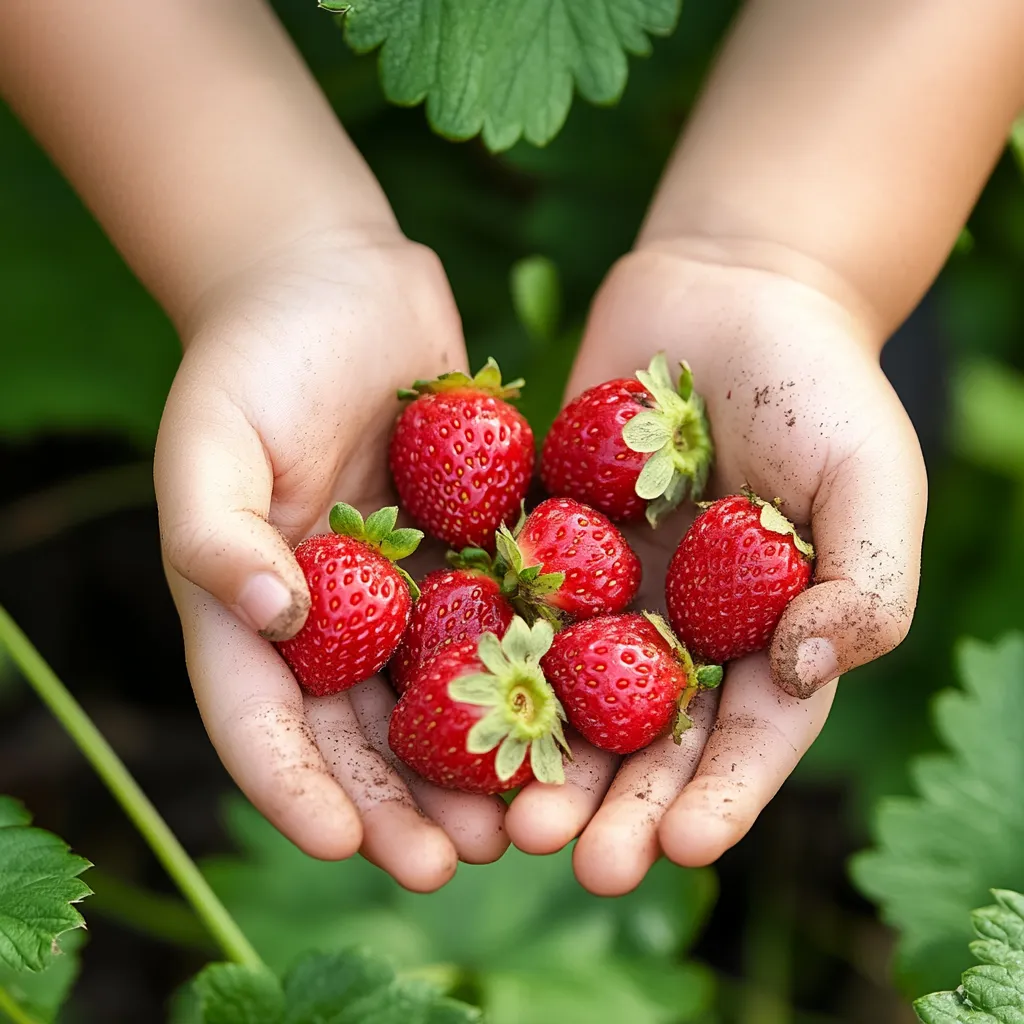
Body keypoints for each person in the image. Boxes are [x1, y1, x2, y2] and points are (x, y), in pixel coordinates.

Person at [1, 0, 1018, 896]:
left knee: (859, 445)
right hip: (194, 103)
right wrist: (267, 250)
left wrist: (799, 264)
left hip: (840, 143)